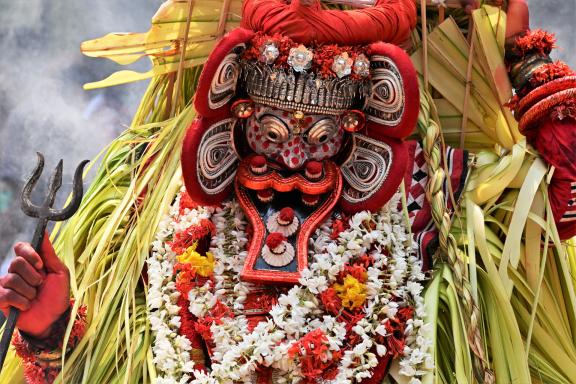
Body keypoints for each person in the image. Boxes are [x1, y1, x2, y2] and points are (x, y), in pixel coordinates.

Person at [1, 0, 575, 383]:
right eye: (272, 133)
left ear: (364, 138)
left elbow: (547, 238)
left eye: (320, 136)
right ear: (232, 120)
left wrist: (526, 63)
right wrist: (50, 329)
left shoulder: (431, 205)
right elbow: (88, 368)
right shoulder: (154, 198)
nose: (294, 157)